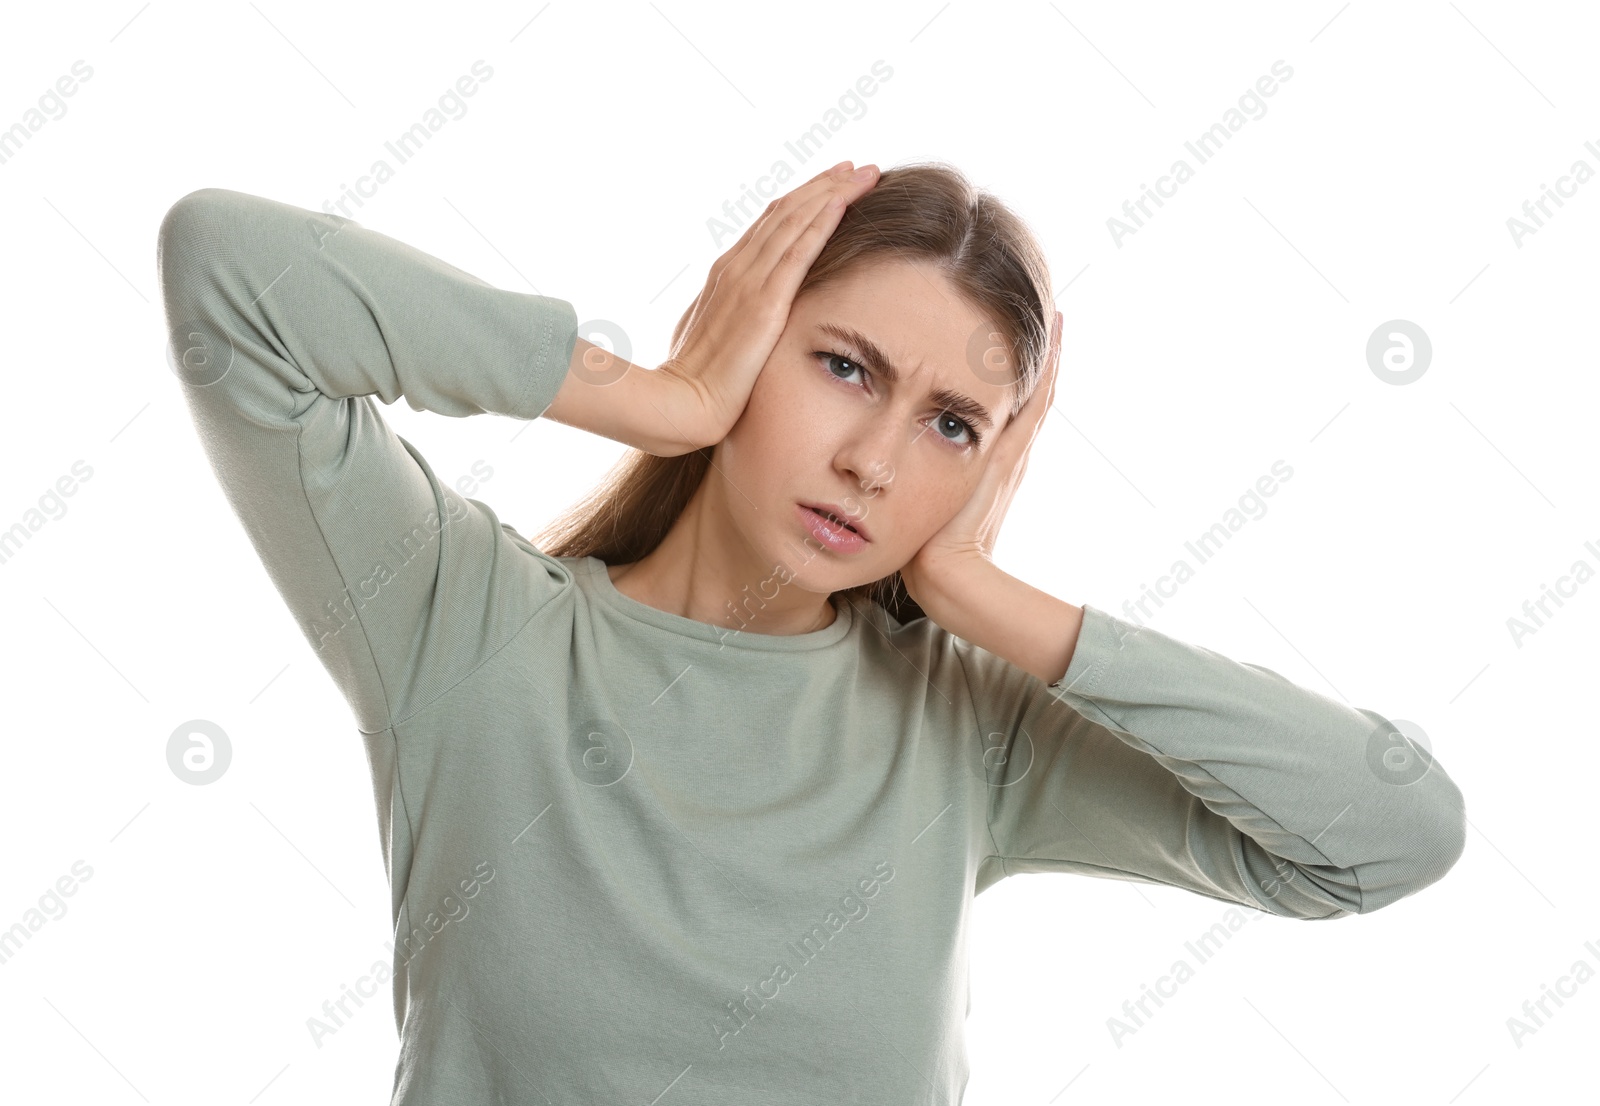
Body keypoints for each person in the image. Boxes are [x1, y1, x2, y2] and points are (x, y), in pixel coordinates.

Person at [155, 160, 1466, 1105]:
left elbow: (1387, 836)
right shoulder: (467, 627)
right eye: (846, 366)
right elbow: (229, 275)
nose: (877, 462)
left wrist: (983, 596)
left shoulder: (970, 727)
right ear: (744, 339)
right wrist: (656, 397)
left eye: (952, 424)